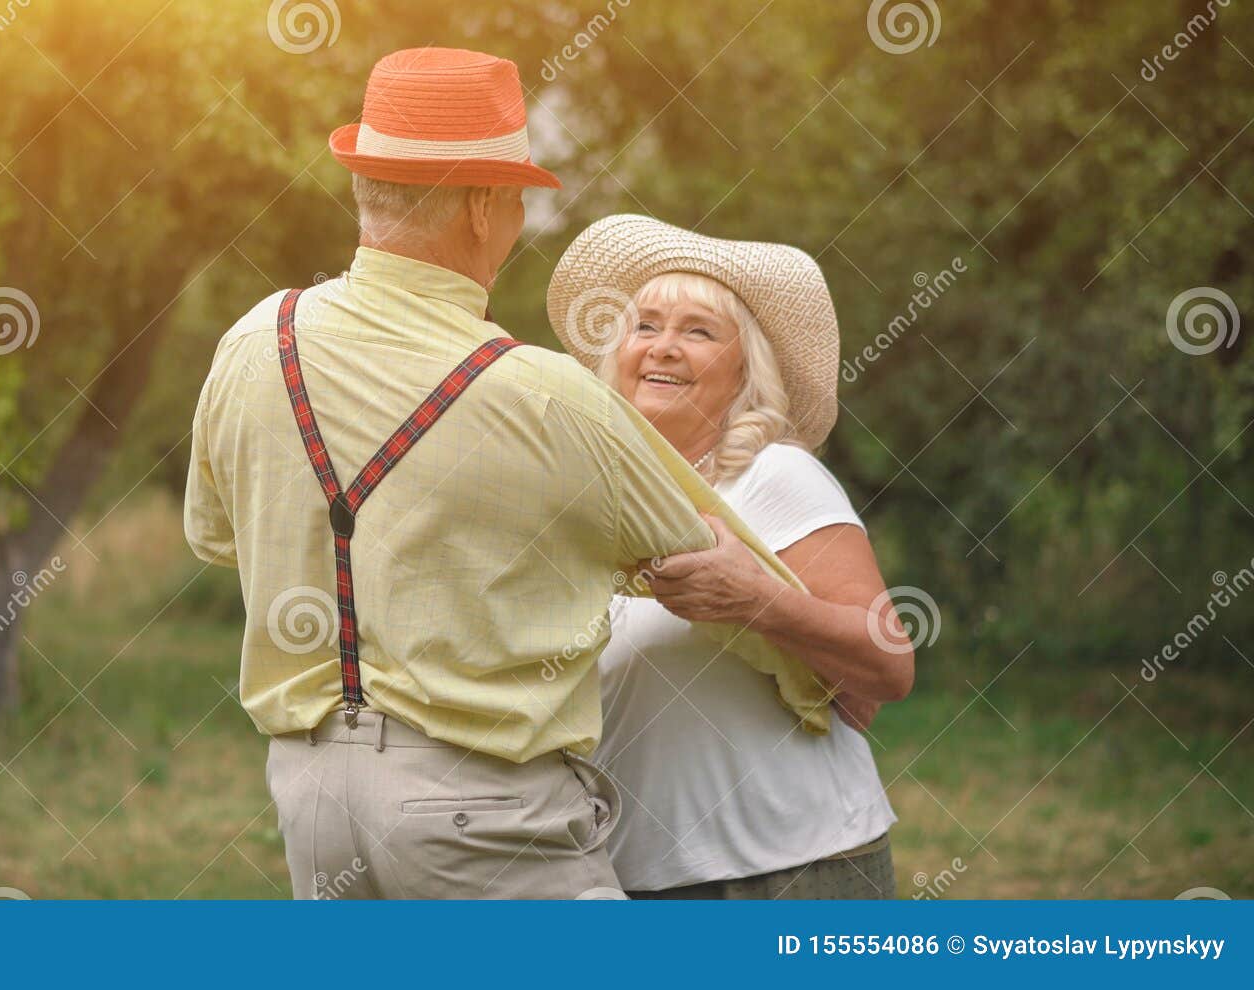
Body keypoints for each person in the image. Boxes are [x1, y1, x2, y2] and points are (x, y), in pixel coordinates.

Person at [184, 50, 824, 899]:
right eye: (519, 198)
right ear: (484, 206)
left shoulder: (253, 340)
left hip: (310, 799)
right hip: (480, 811)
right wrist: (817, 681)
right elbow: (710, 566)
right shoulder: (546, 394)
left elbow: (215, 534)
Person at [546, 215, 916, 898]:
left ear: (746, 369)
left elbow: (889, 664)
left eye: (699, 331)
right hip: (627, 879)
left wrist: (757, 601)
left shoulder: (775, 476)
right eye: (646, 325)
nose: (664, 348)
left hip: (791, 870)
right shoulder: (582, 502)